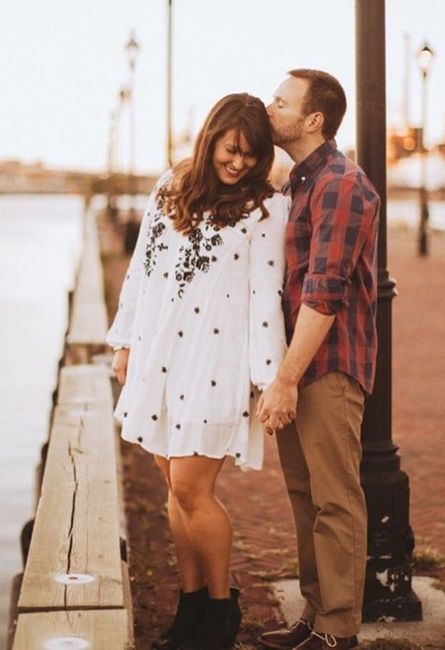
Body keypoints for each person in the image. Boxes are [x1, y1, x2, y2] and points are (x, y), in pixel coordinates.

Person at [106, 93, 290, 650]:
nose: (239, 163)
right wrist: (124, 343)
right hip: (159, 353)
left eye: (251, 155)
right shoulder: (171, 186)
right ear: (210, 138)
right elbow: (141, 270)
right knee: (174, 486)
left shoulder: (266, 208)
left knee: (192, 486)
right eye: (231, 150)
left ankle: (219, 610)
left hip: (215, 360)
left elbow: (266, 295)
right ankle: (190, 609)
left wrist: (270, 377)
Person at [257, 70, 380, 650]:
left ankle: (337, 630)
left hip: (326, 364)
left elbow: (325, 290)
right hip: (296, 363)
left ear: (314, 120)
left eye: (280, 102)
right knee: (305, 497)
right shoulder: (297, 183)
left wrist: (285, 379)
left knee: (335, 498)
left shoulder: (339, 184)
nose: (269, 107)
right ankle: (314, 615)